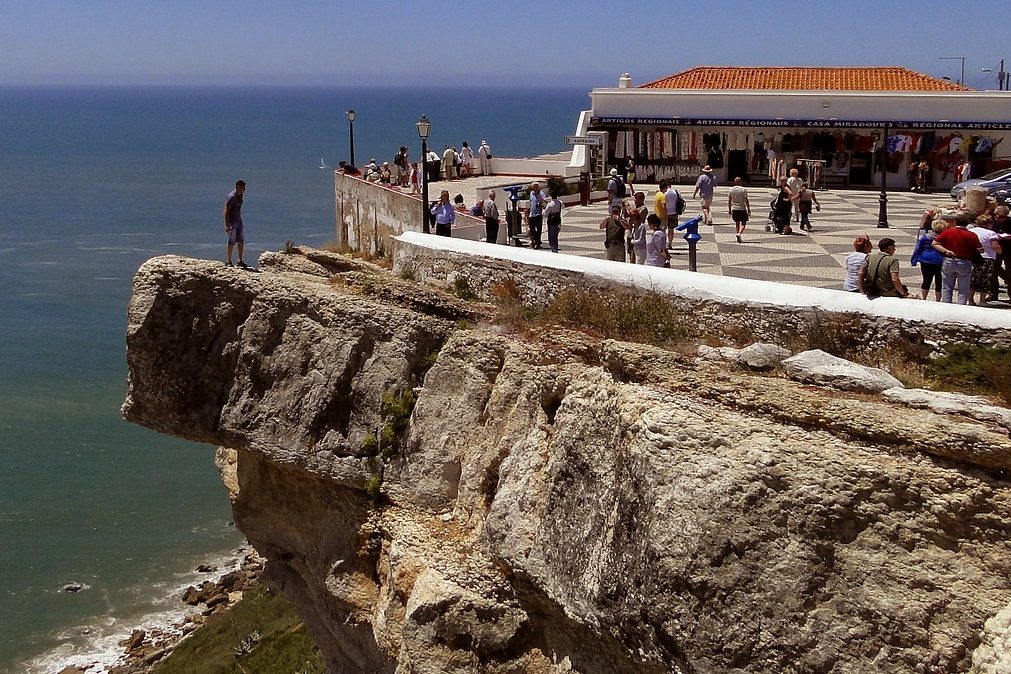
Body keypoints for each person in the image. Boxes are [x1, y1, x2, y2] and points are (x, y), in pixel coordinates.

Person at [932, 212, 983, 304]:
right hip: (964, 262)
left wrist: (945, 251)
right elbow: (980, 249)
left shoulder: (947, 232)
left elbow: (934, 243)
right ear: (967, 223)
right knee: (963, 288)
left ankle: (946, 305)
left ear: (955, 222)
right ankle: (961, 307)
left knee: (946, 287)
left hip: (949, 260)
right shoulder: (971, 235)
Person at [909, 221, 945, 301]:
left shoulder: (925, 237)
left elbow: (918, 248)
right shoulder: (944, 238)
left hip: (926, 260)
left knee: (926, 279)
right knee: (939, 280)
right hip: (940, 260)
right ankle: (938, 299)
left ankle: (924, 297)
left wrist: (914, 260)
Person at [969, 215, 1000, 305]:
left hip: (973, 257)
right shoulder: (991, 233)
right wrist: (1000, 251)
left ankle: (970, 299)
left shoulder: (971, 231)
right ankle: (982, 300)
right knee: (985, 280)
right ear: (989, 224)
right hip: (987, 258)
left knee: (973, 279)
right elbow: (995, 246)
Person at [223, 179, 247, 268]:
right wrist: (226, 224)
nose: (244, 190)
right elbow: (226, 210)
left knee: (241, 240)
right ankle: (228, 260)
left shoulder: (240, 196)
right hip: (232, 222)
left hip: (238, 220)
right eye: (243, 188)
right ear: (238, 187)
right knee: (231, 241)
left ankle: (240, 260)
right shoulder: (231, 197)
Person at [524, 181, 547, 249]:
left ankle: (537, 243)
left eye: (536, 187)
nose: (535, 188)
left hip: (538, 214)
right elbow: (531, 202)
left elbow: (545, 203)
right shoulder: (532, 193)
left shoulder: (541, 194)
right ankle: (538, 241)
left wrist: (541, 205)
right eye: (534, 187)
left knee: (539, 230)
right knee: (532, 229)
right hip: (532, 214)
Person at [727, 177, 750, 243]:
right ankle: (739, 233)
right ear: (740, 182)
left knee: (737, 223)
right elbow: (746, 200)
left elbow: (729, 200)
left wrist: (729, 209)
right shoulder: (744, 189)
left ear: (735, 182)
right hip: (742, 208)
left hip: (734, 208)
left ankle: (737, 234)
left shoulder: (731, 189)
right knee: (744, 223)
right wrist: (748, 209)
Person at [626, 192, 648, 263]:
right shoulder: (634, 207)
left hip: (637, 231)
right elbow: (627, 215)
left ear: (642, 199)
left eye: (637, 199)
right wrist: (624, 208)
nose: (635, 201)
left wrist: (630, 210)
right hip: (631, 231)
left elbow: (637, 215)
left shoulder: (643, 209)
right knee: (630, 252)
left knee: (637, 255)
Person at [664, 181, 682, 246]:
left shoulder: (664, 193)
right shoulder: (676, 192)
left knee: (663, 229)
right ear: (670, 185)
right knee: (671, 230)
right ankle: (670, 243)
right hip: (674, 213)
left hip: (665, 213)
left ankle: (663, 243)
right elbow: (680, 200)